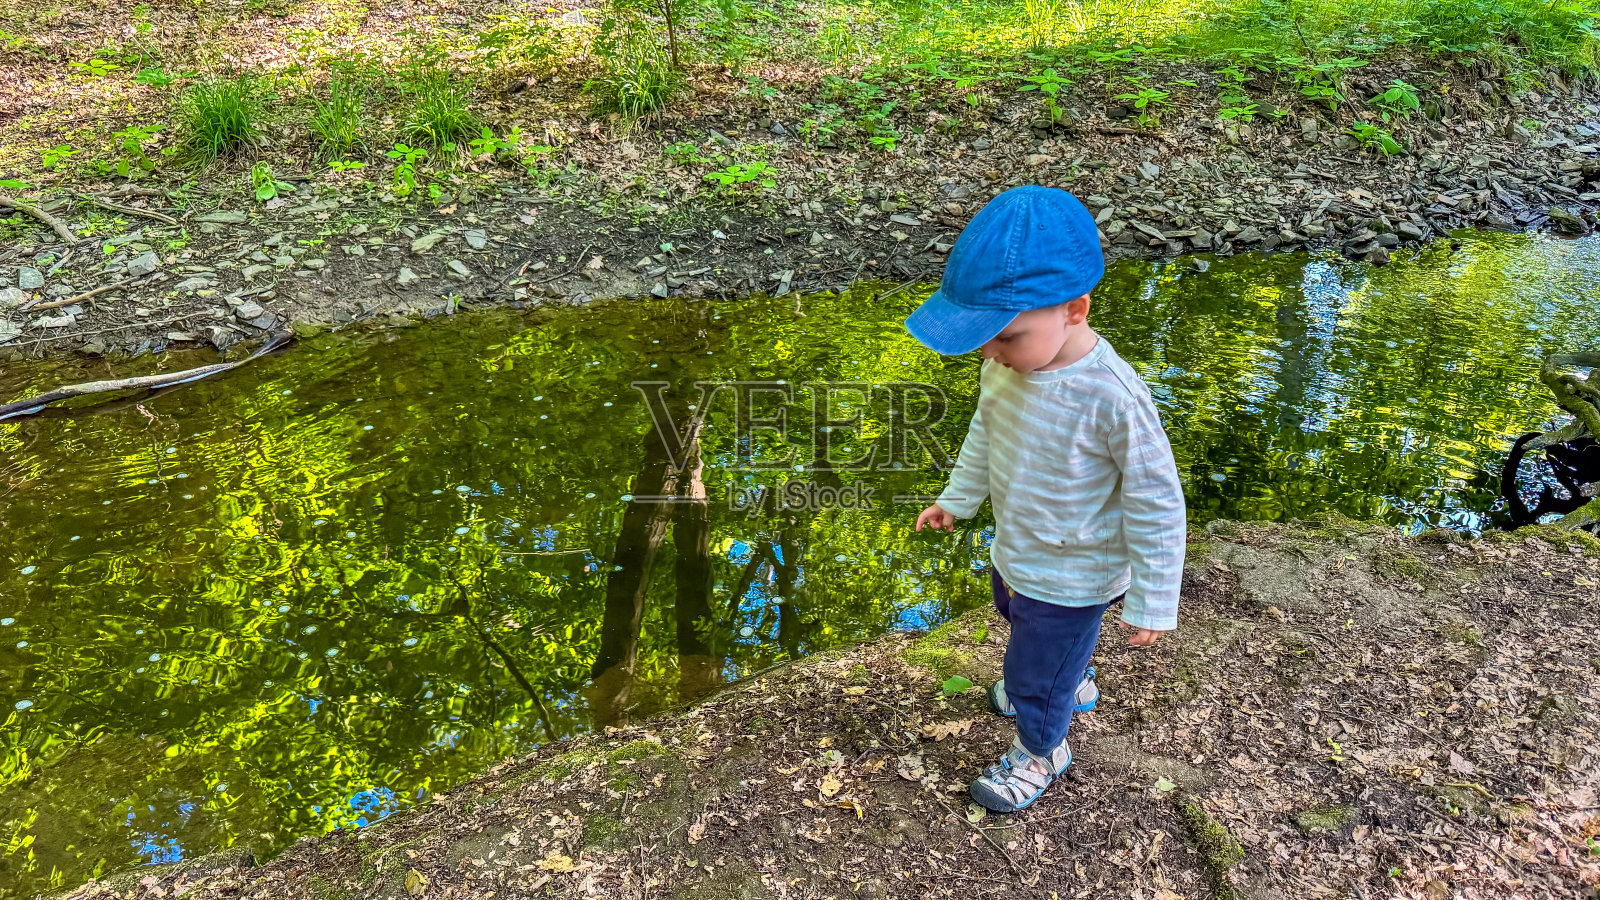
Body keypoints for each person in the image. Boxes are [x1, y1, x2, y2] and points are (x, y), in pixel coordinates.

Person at [907, 185, 1187, 813]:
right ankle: (1070, 676)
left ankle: (1041, 751)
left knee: (1035, 675)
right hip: (1021, 547)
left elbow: (1156, 499)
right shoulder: (1006, 368)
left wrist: (1153, 597)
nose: (989, 352)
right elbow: (987, 432)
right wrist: (958, 499)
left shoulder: (1112, 397)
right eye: (982, 337)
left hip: (1076, 570)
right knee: (1010, 609)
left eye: (1005, 336)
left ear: (1075, 310)